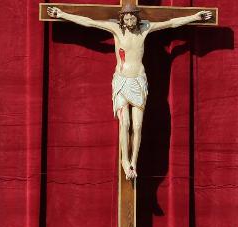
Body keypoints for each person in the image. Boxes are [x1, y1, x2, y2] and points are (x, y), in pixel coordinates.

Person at [46, 1, 212, 180]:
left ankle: (133, 161)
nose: (131, 19)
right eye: (127, 16)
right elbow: (88, 21)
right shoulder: (116, 29)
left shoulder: (145, 28)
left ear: (137, 17)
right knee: (125, 124)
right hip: (122, 82)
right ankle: (125, 161)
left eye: (133, 15)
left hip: (139, 82)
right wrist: (62, 14)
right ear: (122, 18)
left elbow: (171, 23)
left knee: (138, 126)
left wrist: (194, 17)